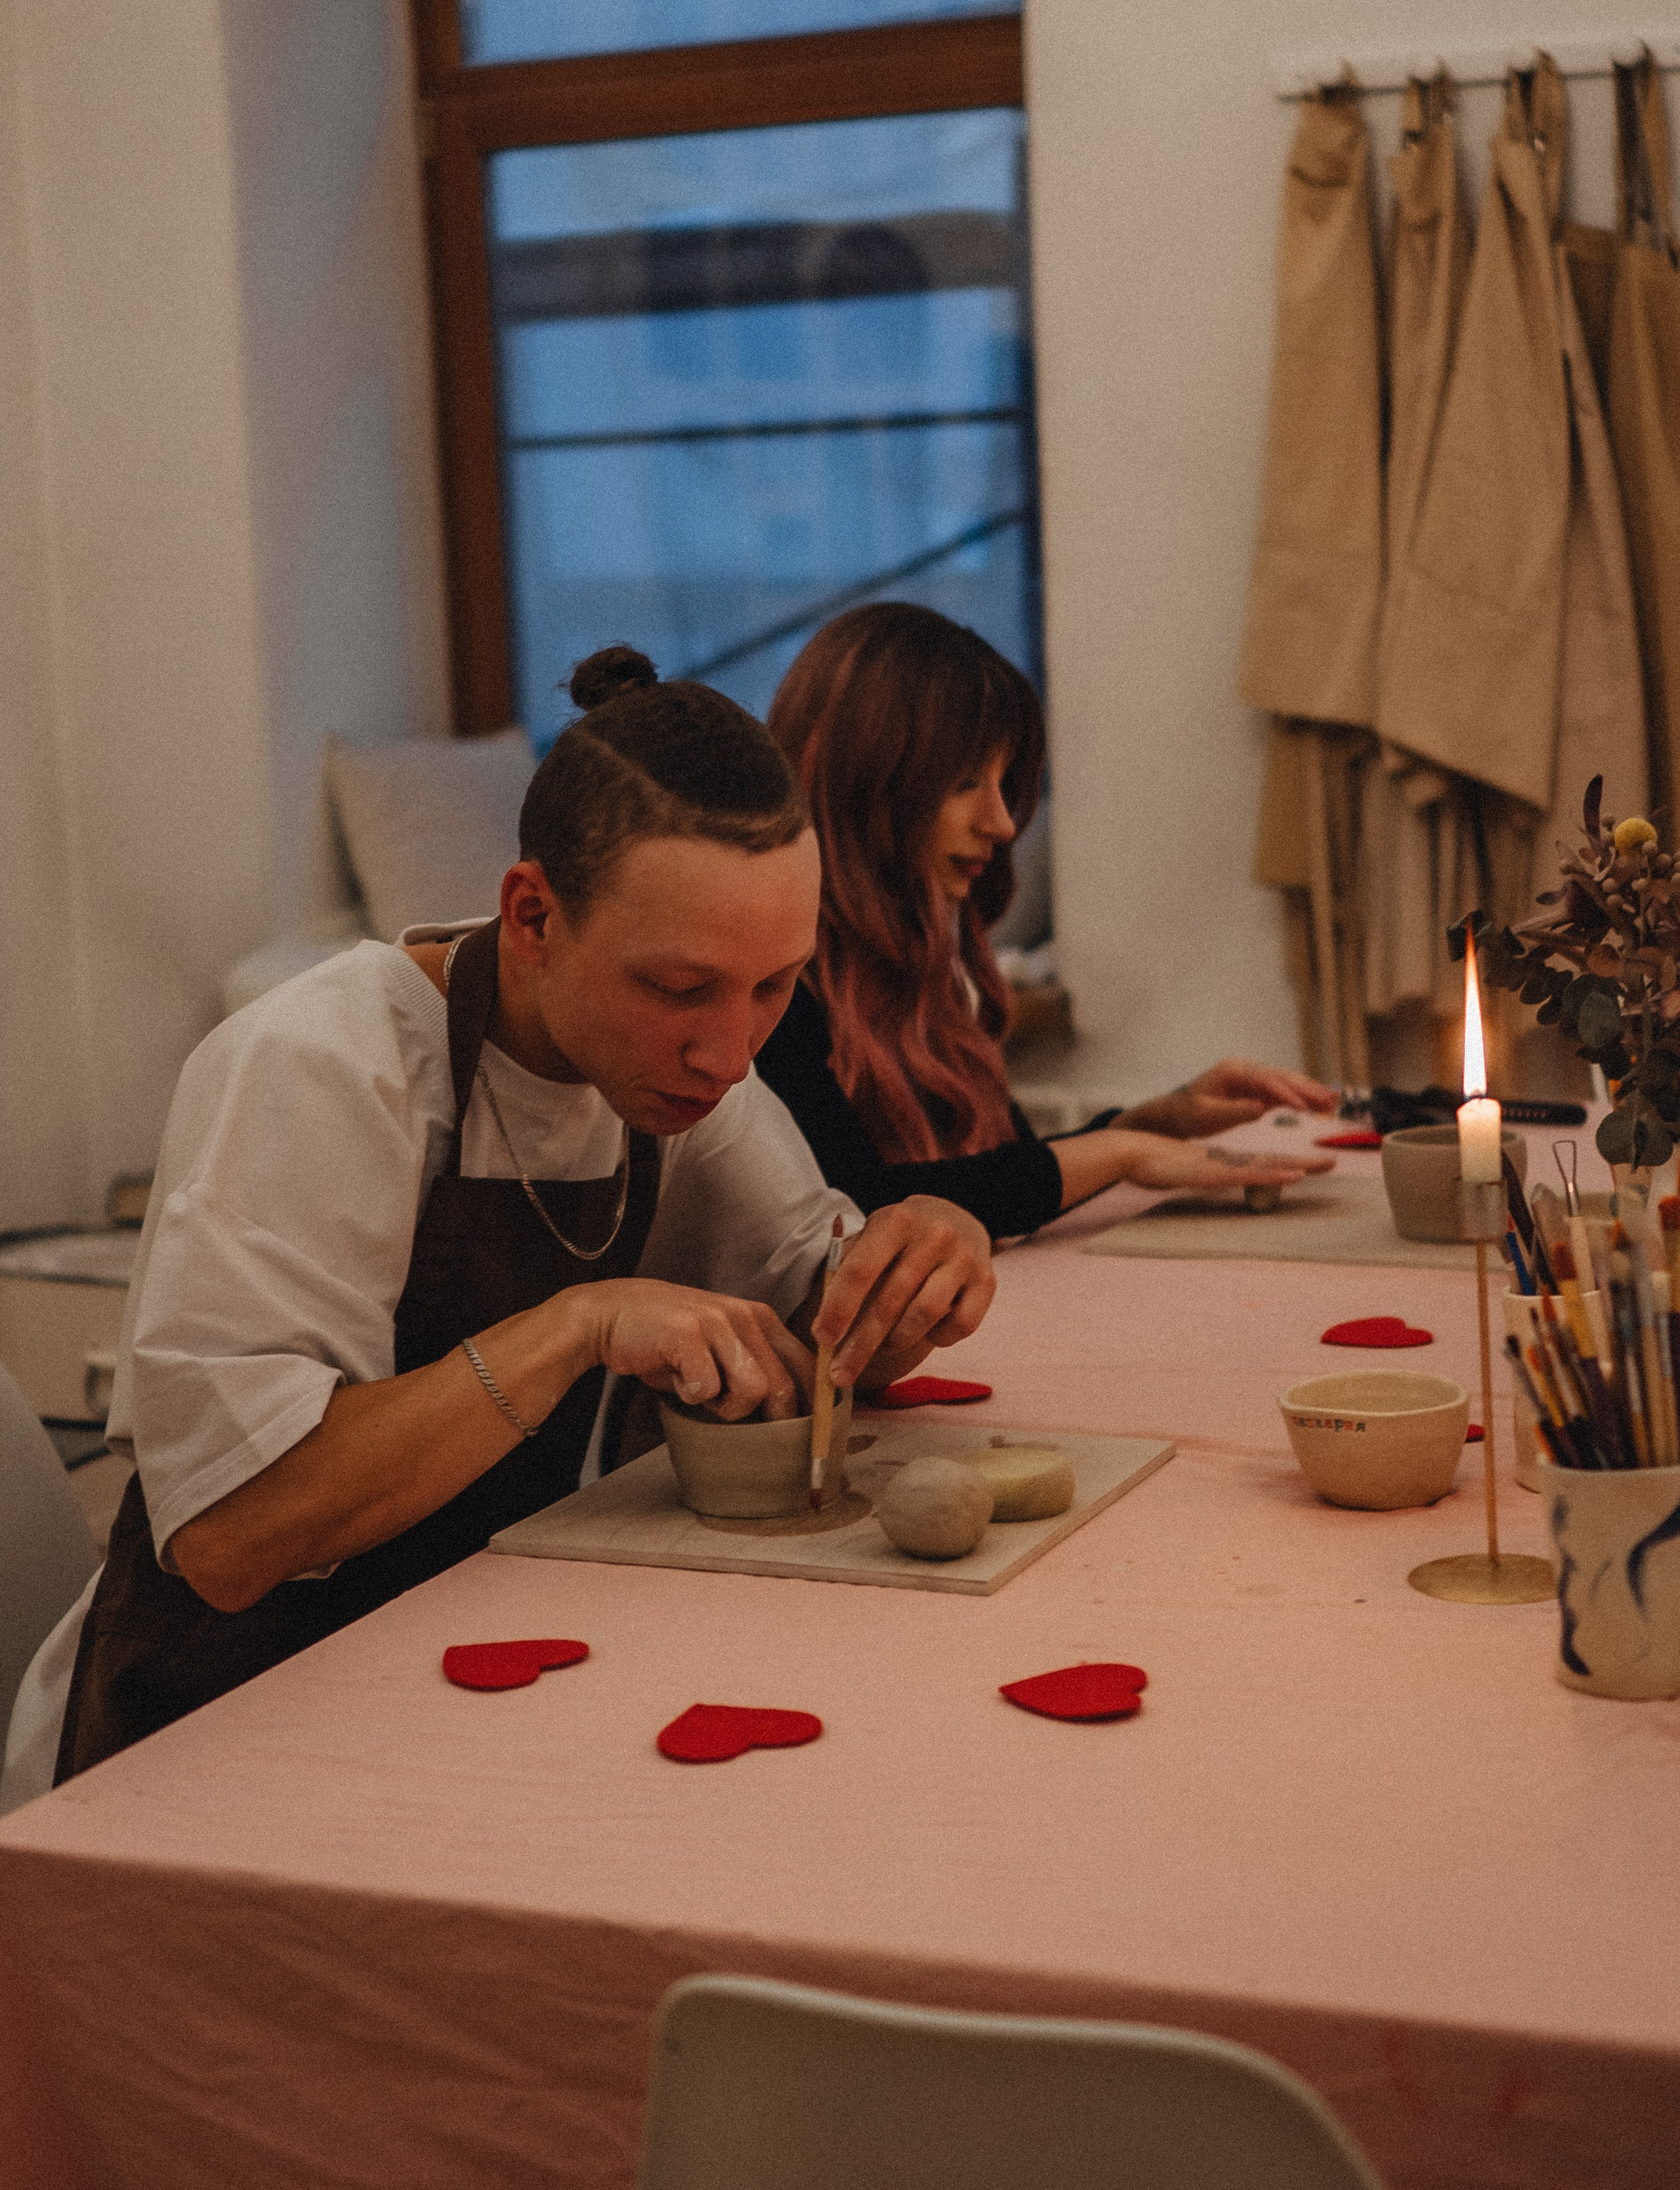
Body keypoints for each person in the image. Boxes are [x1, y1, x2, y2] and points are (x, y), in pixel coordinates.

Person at [2, 649, 990, 1805]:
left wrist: (919, 1261)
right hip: (203, 1731)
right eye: (679, 990)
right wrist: (575, 1325)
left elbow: (822, 1318)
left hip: (433, 1678)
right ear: (532, 914)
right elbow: (232, 1532)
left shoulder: (680, 1087)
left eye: (773, 987)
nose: (730, 1054)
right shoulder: (322, 1069)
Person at [756, 604, 1336, 1241]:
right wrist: (1121, 1152)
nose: (1003, 823)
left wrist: (1152, 1124)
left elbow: (995, 1178)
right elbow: (860, 1202)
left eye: (1005, 783)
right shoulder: (770, 986)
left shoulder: (922, 972)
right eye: (966, 781)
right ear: (865, 784)